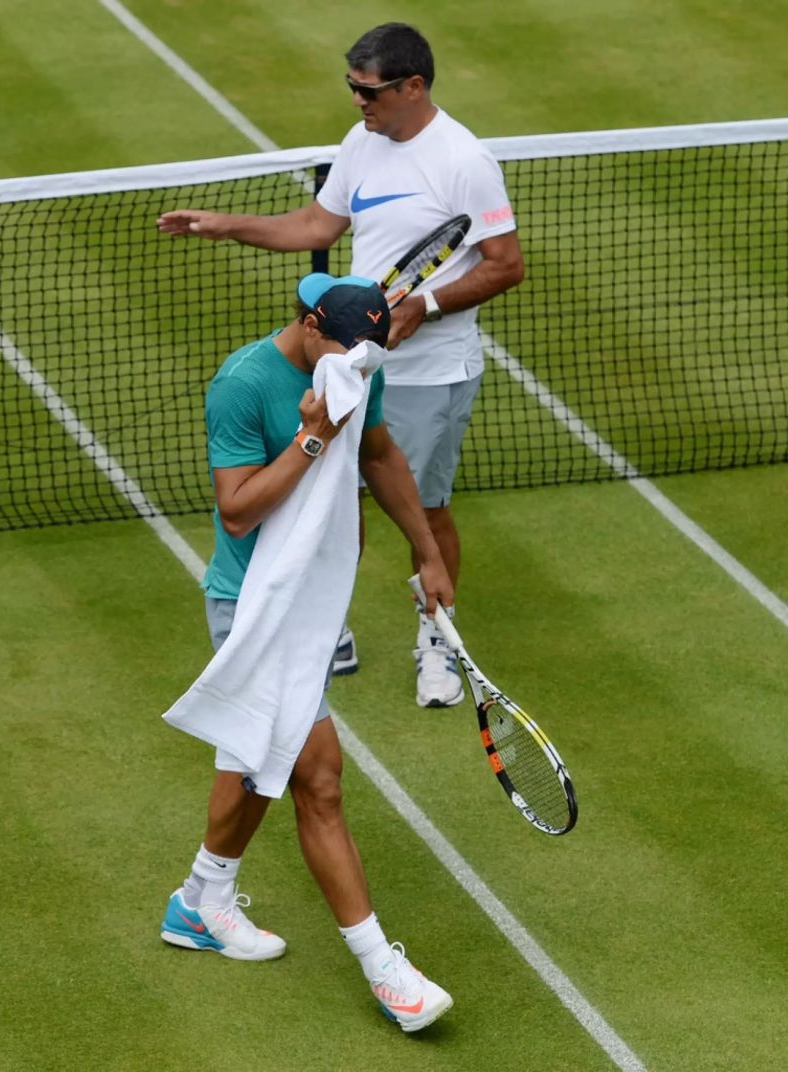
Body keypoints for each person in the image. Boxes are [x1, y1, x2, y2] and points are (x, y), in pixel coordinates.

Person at [158, 22, 524, 709]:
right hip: (356, 364)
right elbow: (316, 229)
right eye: (352, 87)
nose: (358, 100)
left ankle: (438, 639)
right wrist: (226, 224)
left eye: (369, 90)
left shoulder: (465, 162)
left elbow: (507, 266)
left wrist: (426, 305)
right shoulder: (363, 141)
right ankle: (332, 623)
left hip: (430, 370)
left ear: (412, 87)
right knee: (336, 499)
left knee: (426, 504)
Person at [160, 272, 455, 1032]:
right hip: (253, 602)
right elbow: (236, 512)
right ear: (310, 324)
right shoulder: (243, 382)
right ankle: (385, 968)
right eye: (350, 350)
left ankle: (201, 900)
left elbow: (382, 454)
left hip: (314, 601)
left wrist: (426, 554)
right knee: (317, 778)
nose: (359, 361)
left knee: (256, 756)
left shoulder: (353, 365)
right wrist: (314, 433)